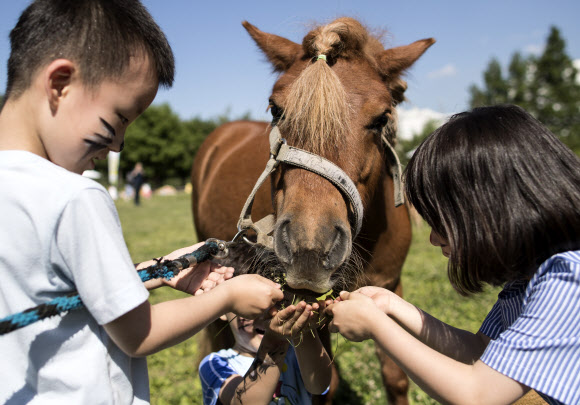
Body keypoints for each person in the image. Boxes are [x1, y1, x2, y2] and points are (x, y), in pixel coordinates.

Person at [0, 1, 284, 404]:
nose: (117, 145)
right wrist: (227, 296)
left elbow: (50, 289)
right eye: (117, 119)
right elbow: (139, 334)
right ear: (60, 83)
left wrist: (156, 271)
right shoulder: (76, 197)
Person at [325, 105, 580, 405]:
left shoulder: (569, 280)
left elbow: (477, 395)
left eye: (441, 222)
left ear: (491, 209)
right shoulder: (525, 282)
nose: (433, 239)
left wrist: (377, 328)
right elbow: (482, 350)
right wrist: (392, 306)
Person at [199, 299, 332, 405]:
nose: (267, 314)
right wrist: (274, 340)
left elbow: (319, 386)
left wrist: (304, 329)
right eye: (251, 305)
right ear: (223, 308)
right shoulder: (216, 364)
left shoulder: (295, 353)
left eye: (277, 303)